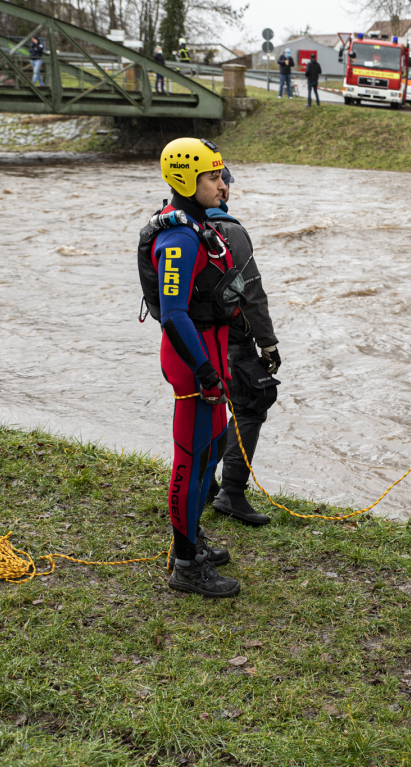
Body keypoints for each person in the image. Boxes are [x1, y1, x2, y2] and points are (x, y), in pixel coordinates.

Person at [144, 137, 243, 597]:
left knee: (208, 455)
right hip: (193, 364)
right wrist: (204, 372)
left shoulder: (201, 224)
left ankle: (193, 538)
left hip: (211, 357)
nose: (223, 185)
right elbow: (173, 313)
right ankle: (186, 564)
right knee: (191, 459)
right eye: (213, 177)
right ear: (186, 180)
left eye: (222, 175)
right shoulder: (180, 238)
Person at [201, 176, 281, 527]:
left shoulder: (180, 227)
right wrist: (268, 342)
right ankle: (231, 492)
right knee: (250, 406)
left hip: (194, 340)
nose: (223, 187)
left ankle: (203, 485)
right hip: (232, 340)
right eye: (219, 181)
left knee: (211, 410)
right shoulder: (230, 231)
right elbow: (252, 291)